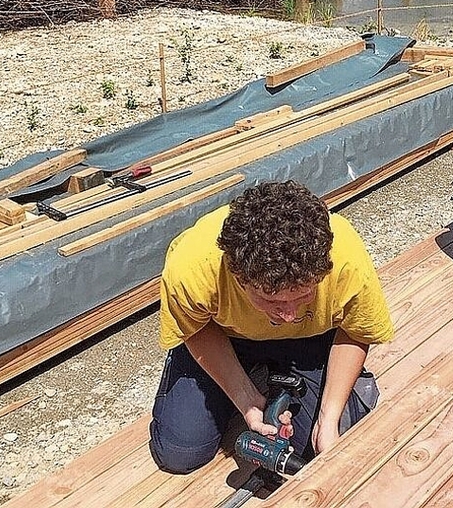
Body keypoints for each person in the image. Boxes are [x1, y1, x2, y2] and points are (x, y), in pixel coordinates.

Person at [149, 180, 394, 474]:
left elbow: (356, 331)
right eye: (273, 301)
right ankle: (253, 376)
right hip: (225, 335)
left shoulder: (346, 259)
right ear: (240, 279)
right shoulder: (193, 266)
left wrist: (328, 419)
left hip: (312, 336)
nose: (288, 315)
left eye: (304, 295)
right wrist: (245, 399)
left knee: (324, 440)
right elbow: (195, 329)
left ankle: (286, 378)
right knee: (179, 454)